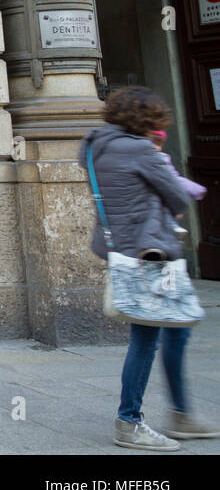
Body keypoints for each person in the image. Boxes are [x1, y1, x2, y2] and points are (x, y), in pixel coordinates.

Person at [82, 87, 217, 450]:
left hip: (123, 250)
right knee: (147, 339)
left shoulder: (95, 149)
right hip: (150, 253)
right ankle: (130, 422)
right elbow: (176, 196)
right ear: (147, 119)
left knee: (175, 329)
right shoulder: (142, 150)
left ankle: (181, 414)